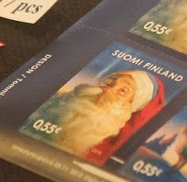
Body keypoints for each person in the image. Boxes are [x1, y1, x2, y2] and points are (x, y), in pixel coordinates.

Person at [24, 69, 161, 161]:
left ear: (130, 106)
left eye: (123, 91)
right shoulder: (53, 102)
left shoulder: (100, 149)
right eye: (109, 82)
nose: (108, 90)